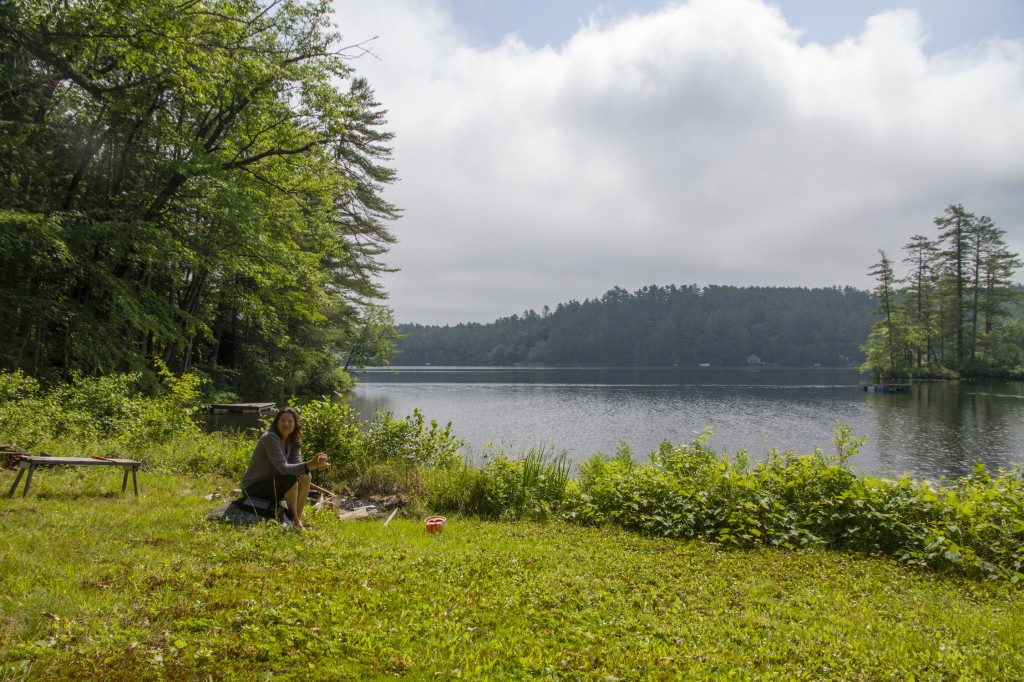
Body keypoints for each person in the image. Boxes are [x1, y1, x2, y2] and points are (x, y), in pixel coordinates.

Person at [239, 406, 329, 530]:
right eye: (283, 420)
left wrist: (314, 465)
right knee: (291, 477)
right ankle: (295, 519)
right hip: (253, 488)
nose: (286, 423)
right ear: (277, 423)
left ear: (295, 424)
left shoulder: (293, 440)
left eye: (290, 421)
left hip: (272, 484)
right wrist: (309, 465)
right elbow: (283, 468)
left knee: (306, 475)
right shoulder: (270, 438)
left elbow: (297, 464)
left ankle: (297, 517)